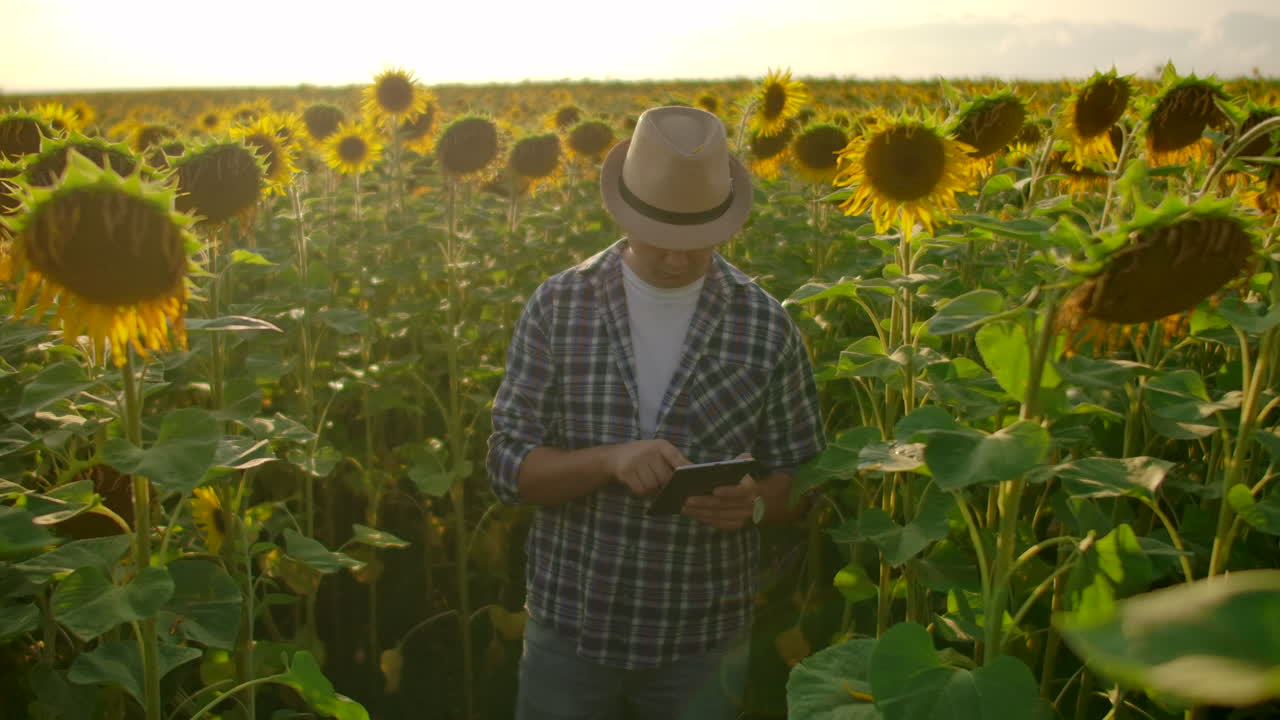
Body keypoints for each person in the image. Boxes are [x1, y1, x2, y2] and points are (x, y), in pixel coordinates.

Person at [487, 105, 826, 720]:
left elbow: (803, 478)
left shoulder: (765, 325)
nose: (676, 259)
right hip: (572, 628)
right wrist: (612, 459)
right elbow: (509, 469)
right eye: (660, 238)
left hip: (701, 639)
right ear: (624, 214)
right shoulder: (560, 307)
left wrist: (753, 504)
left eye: (695, 242)